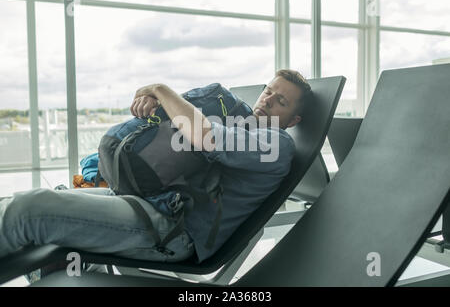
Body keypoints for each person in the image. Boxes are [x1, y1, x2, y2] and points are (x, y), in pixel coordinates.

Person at [0, 69, 312, 270]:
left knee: (29, 211)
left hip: (172, 229)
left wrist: (160, 89)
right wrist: (156, 109)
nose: (268, 100)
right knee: (30, 202)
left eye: (281, 100)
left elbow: (206, 137)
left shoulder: (276, 145)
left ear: (293, 121)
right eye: (269, 91)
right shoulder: (239, 124)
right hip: (152, 202)